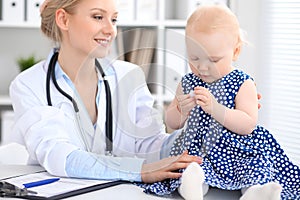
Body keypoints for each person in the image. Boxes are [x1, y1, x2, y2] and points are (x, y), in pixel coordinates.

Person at [9, 0, 203, 185]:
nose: (111, 30)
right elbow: (58, 155)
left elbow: (150, 145)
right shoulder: (28, 85)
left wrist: (195, 130)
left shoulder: (129, 75)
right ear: (63, 20)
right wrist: (138, 171)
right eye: (98, 17)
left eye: (114, 19)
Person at [140, 5, 300, 200]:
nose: (202, 67)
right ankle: (193, 186)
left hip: (240, 150)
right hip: (201, 148)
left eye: (213, 60)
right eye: (194, 58)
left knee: (255, 166)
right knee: (190, 165)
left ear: (235, 52)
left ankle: (255, 192)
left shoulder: (243, 82)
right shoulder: (189, 81)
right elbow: (172, 124)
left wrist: (215, 108)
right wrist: (181, 110)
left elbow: (248, 124)